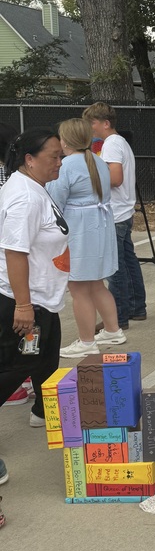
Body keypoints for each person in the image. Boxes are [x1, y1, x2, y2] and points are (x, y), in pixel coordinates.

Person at [0, 128, 69, 472]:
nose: (60, 162)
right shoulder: (25, 198)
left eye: (61, 156)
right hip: (26, 302)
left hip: (44, 298)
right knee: (17, 365)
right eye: (53, 157)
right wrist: (24, 306)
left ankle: (45, 411)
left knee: (46, 359)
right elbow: (15, 252)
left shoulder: (34, 187)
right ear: (29, 159)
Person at [47, 118, 124, 357]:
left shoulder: (66, 166)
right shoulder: (97, 161)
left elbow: (54, 201)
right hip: (100, 226)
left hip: (80, 229)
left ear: (65, 141)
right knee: (96, 283)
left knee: (78, 287)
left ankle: (87, 341)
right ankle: (112, 330)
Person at [82, 102, 146, 330]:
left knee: (115, 267)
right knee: (129, 261)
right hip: (123, 211)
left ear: (105, 123)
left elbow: (116, 178)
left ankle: (118, 317)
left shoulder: (110, 144)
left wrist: (90, 178)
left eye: (92, 123)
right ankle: (137, 307)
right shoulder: (120, 142)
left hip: (115, 213)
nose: (90, 128)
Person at [0, 121, 34, 406]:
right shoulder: (19, 177)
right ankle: (23, 378)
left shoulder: (12, 180)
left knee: (17, 331)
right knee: (22, 331)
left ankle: (20, 380)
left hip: (11, 267)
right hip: (15, 268)